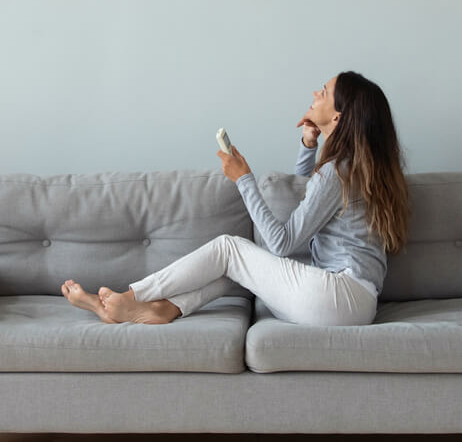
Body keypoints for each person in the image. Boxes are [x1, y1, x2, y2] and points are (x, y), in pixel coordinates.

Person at [61, 71, 410, 326]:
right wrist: (309, 142)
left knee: (228, 248)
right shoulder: (359, 169)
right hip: (356, 304)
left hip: (336, 298)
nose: (316, 92)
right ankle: (160, 310)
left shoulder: (337, 172)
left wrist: (244, 179)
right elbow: (313, 195)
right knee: (237, 268)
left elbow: (282, 243)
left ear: (338, 115)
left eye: (325, 90)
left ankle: (130, 297)